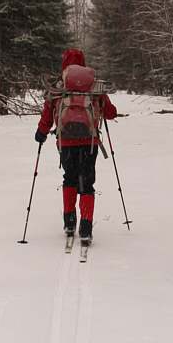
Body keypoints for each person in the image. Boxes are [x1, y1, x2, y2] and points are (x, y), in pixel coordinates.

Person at [35, 49, 117, 245]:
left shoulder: (58, 86)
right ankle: (86, 229)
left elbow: (48, 113)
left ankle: (70, 223)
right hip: (90, 143)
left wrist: (41, 132)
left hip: (65, 143)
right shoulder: (93, 86)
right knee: (87, 183)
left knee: (69, 178)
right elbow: (111, 113)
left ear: (64, 64)